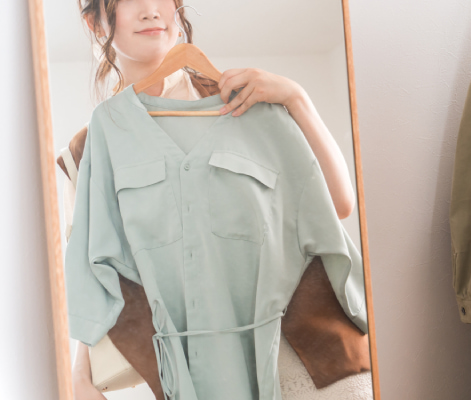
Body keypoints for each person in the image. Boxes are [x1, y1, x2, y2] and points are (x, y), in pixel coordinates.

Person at [69, 0, 365, 399]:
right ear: (95, 22)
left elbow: (336, 207)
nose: (150, 10)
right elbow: (92, 265)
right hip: (200, 372)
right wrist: (78, 373)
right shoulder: (93, 143)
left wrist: (297, 99)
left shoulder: (252, 99)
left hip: (311, 362)